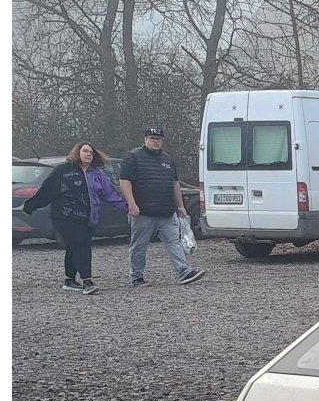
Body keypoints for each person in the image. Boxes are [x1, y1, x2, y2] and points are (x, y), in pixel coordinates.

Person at [20, 141, 130, 295]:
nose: (88, 154)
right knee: (81, 245)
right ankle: (87, 281)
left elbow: (111, 194)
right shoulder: (63, 171)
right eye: (85, 151)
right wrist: (30, 206)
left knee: (74, 247)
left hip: (89, 218)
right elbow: (48, 191)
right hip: (65, 217)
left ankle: (69, 280)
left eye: (91, 152)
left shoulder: (97, 174)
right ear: (77, 152)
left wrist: (128, 208)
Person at [118, 124, 205, 286]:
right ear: (145, 140)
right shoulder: (133, 157)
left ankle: (184, 271)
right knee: (139, 245)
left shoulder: (167, 159)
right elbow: (125, 181)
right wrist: (131, 203)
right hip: (143, 212)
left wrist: (180, 206)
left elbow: (174, 184)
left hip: (166, 211)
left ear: (162, 141)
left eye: (158, 139)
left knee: (174, 242)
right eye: (152, 139)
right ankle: (136, 276)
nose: (155, 142)